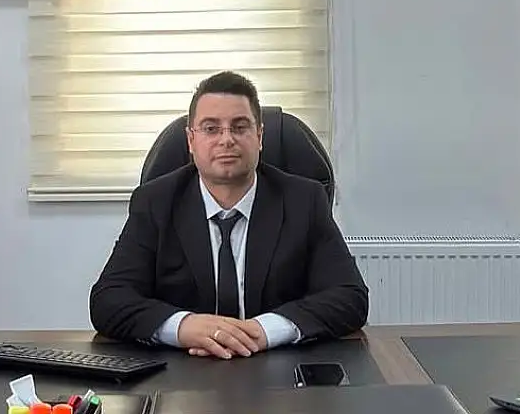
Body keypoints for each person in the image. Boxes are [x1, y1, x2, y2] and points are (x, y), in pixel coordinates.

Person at [89, 71, 369, 359]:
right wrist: (183, 326)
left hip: (277, 366)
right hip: (184, 368)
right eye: (211, 128)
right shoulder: (155, 203)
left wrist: (266, 330)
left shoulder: (304, 200)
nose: (226, 140)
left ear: (259, 136)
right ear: (191, 140)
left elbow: (350, 296)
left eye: (240, 127)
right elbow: (108, 299)